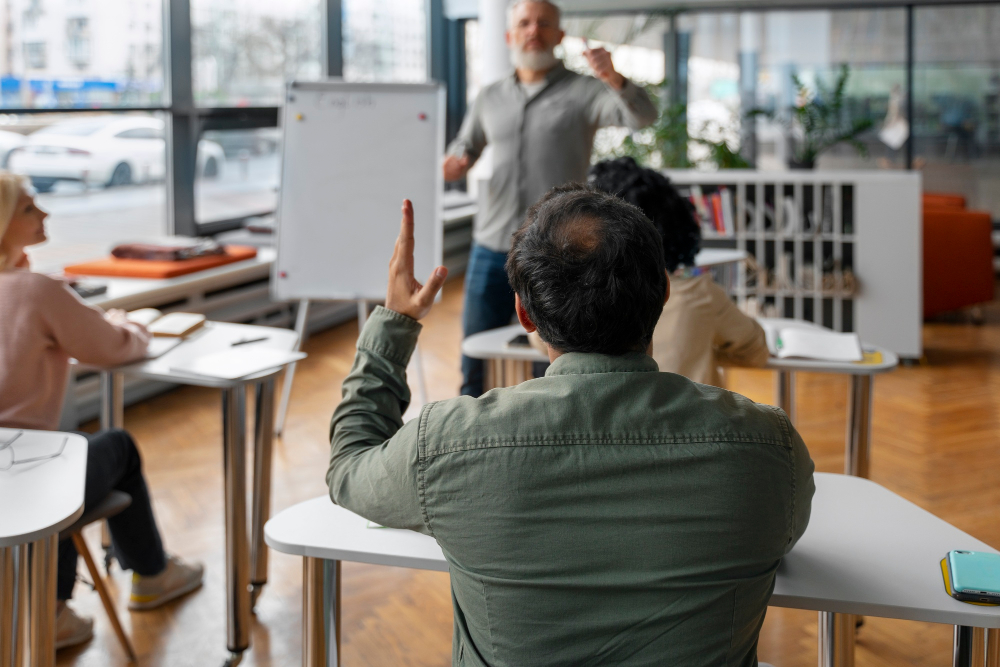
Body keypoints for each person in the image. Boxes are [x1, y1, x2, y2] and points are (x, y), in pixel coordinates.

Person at [328, 188, 815, 666]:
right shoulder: (768, 449)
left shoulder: (447, 446)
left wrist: (394, 323)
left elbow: (349, 466)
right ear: (662, 294)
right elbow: (780, 541)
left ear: (524, 313)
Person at [0, 173, 203, 650]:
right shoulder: (33, 290)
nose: (44, 214)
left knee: (73, 458)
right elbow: (114, 348)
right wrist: (131, 326)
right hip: (24, 478)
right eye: (30, 208)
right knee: (114, 447)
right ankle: (142, 578)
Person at [444, 0, 658, 396]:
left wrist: (614, 77)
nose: (533, 30)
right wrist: (456, 162)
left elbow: (641, 116)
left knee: (548, 359)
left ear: (559, 36)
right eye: (524, 22)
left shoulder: (585, 90)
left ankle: (540, 430)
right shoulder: (489, 96)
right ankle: (468, 428)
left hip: (554, 251)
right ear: (510, 35)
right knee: (474, 351)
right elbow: (466, 144)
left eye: (543, 23)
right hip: (491, 245)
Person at [588, 157, 769, 386]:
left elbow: (544, 341)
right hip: (689, 418)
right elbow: (755, 351)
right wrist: (707, 351)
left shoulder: (581, 300)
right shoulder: (699, 294)